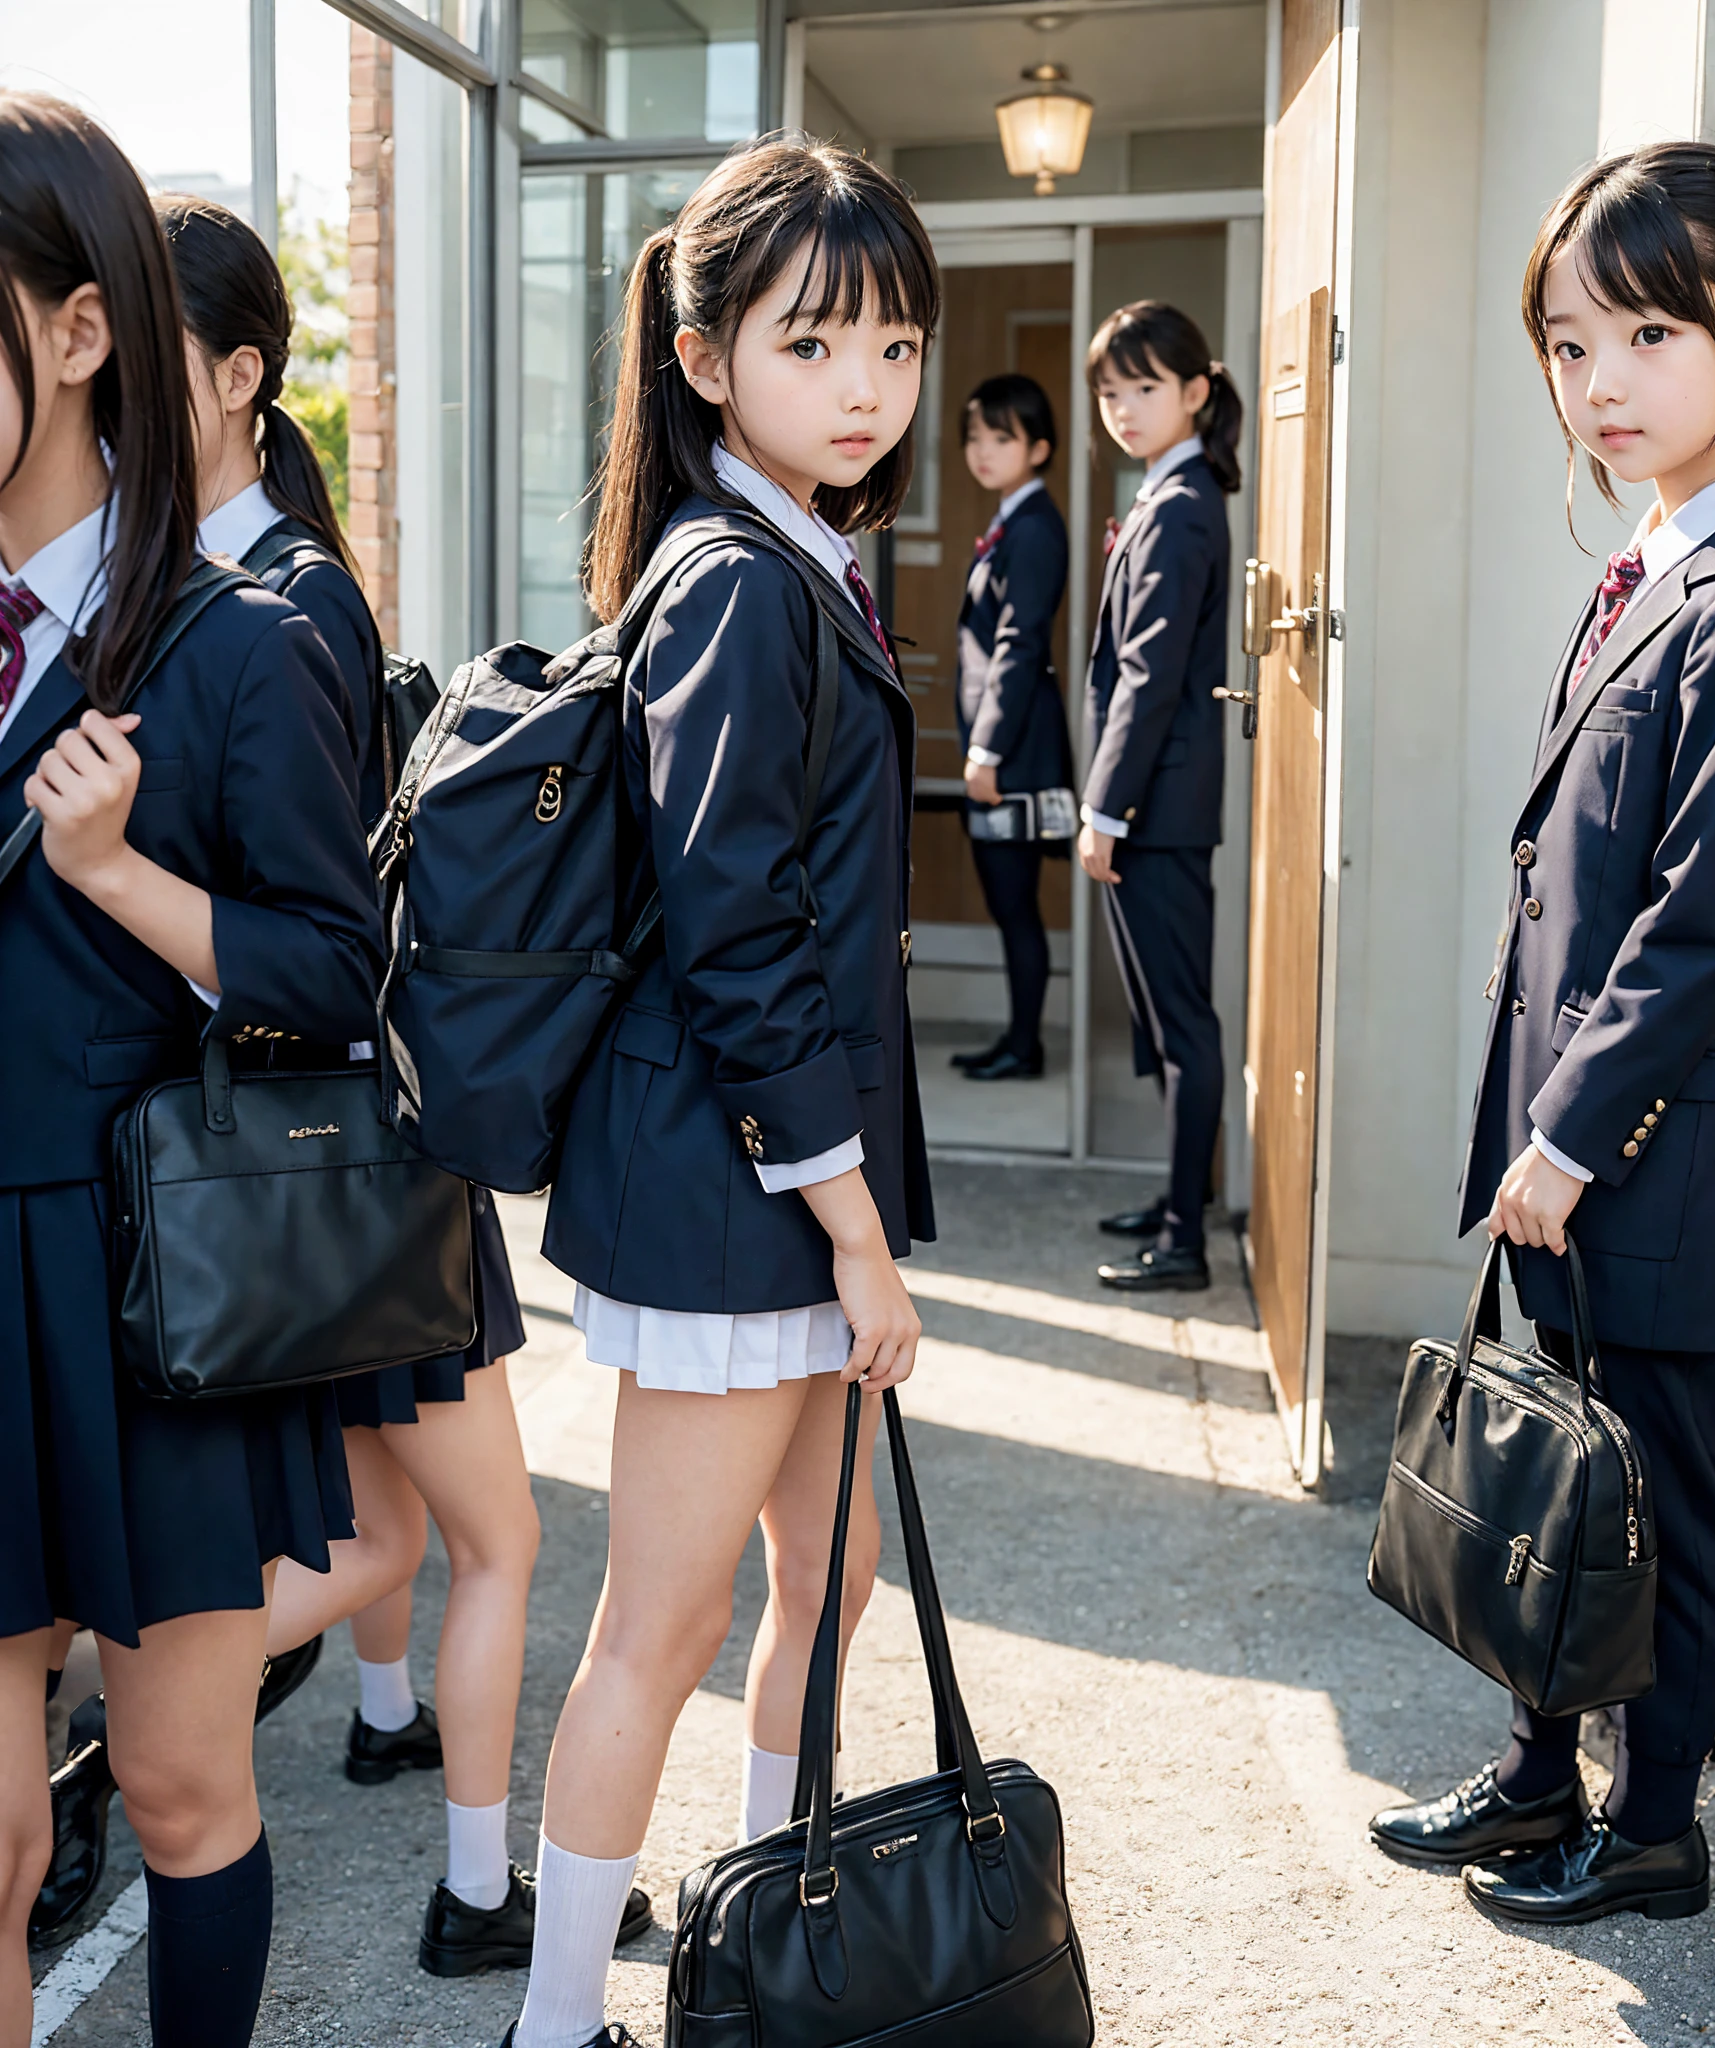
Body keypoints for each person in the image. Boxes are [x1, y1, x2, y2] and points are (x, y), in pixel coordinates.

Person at [1368, 142, 1715, 1925]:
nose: (1597, 383)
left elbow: (1690, 922)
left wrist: (1566, 1134)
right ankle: (1531, 1778)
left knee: (1658, 1495)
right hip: (1573, 1136)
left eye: (1646, 334)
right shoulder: (1648, 562)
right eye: (1569, 345)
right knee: (1562, 1481)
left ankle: (1650, 1821)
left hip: (1647, 1146)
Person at [506, 136, 937, 2048]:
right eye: (813, 340)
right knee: (652, 1631)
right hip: (731, 1192)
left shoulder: (803, 558)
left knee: (827, 1576)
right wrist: (855, 1231)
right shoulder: (739, 579)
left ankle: (763, 1940)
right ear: (702, 359)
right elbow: (736, 925)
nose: (864, 384)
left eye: (896, 344)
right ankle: (546, 2017)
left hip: (765, 1175)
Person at [148, 193, 604, 1979]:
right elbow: (327, 924)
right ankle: (475, 1889)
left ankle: (169, 1693)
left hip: (286, 1160)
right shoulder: (280, 595)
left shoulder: (228, 594)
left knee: (389, 1521)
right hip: (351, 1154)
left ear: (241, 375)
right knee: (493, 1532)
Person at [0, 92, 383, 2048]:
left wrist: (117, 873)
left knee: (175, 1785)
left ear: (76, 334)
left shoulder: (235, 638)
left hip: (157, 1279)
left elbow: (330, 972)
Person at [1077, 301, 1240, 1293]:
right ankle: (1174, 1200)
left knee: (1182, 1026)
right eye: (1109, 391)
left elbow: (1148, 675)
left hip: (1157, 811)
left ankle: (1183, 1237)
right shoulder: (1164, 492)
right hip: (1154, 805)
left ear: (1193, 391)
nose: (1123, 409)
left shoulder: (1180, 506)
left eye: (1143, 388)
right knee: (1163, 1021)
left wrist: (1105, 810)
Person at [949, 372, 1074, 1082]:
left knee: (1015, 905)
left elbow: (1019, 643)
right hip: (1007, 748)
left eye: (1002, 437)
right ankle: (1017, 1039)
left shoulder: (1032, 529)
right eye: (975, 437)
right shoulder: (1012, 522)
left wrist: (986, 747)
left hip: (1013, 753)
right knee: (1010, 905)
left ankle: (1025, 1046)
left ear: (1039, 447)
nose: (984, 451)